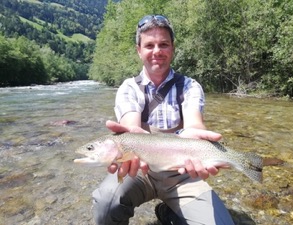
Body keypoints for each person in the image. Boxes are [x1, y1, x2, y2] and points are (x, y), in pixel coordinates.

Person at [92, 15, 235, 225]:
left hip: (182, 173)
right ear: (139, 50)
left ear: (172, 48)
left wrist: (199, 142)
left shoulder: (189, 86)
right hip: (140, 170)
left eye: (163, 44)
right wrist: (130, 138)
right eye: (149, 45)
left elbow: (194, 124)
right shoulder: (129, 88)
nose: (157, 51)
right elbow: (131, 125)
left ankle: (169, 213)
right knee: (105, 204)